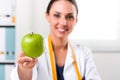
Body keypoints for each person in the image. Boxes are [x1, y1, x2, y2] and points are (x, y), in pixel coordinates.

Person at [11, 0, 101, 80]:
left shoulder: (84, 53)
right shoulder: (36, 51)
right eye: (57, 15)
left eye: (69, 17)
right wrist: (25, 69)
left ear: (75, 21)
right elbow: (22, 77)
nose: (63, 23)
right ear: (47, 16)